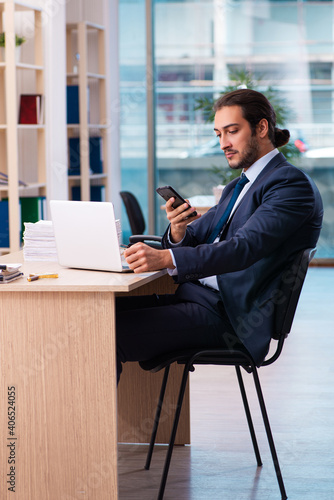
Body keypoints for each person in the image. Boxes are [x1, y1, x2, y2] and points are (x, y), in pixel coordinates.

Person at [116, 88, 323, 383]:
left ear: (261, 128)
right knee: (99, 315)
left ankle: (86, 429)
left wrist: (166, 257)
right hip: (195, 301)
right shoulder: (239, 186)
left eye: (232, 131)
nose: (223, 144)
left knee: (106, 333)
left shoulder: (290, 185)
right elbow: (195, 235)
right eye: (218, 135)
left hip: (231, 319)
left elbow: (243, 249)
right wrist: (178, 232)